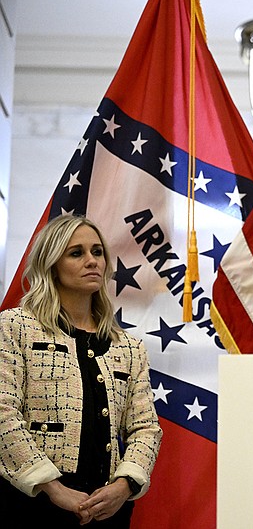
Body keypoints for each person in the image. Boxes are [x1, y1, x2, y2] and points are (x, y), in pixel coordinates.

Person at [0, 215, 162, 527]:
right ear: (52, 264)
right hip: (30, 505)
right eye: (76, 253)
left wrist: (124, 485)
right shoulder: (15, 326)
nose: (92, 261)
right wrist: (53, 487)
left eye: (97, 252)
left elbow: (146, 428)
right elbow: (3, 412)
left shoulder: (129, 347)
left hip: (108, 510)